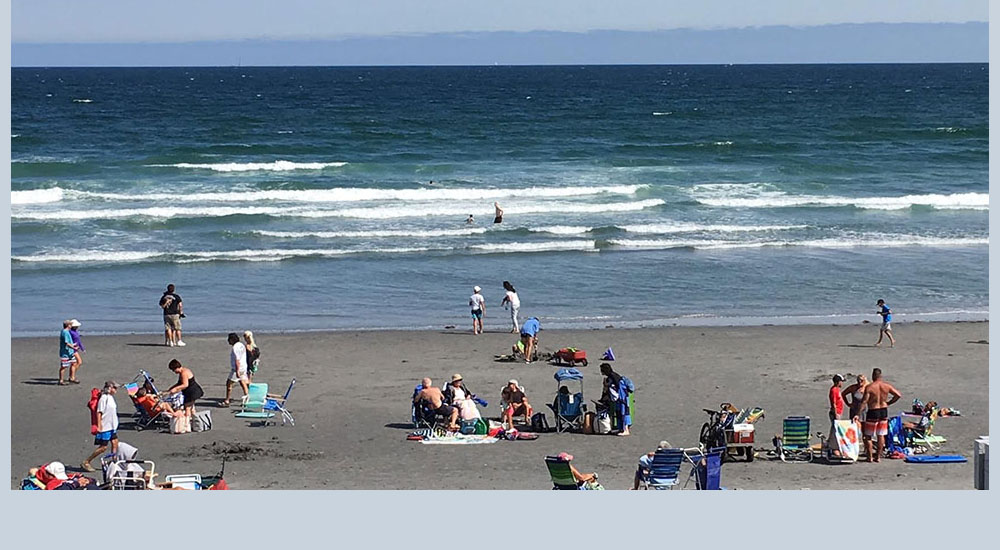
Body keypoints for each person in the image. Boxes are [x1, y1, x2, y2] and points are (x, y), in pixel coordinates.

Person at [853, 368, 902, 463]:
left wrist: (857, 414)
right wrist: (888, 403)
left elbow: (864, 402)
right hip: (883, 410)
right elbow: (898, 395)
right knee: (881, 435)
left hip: (873, 411)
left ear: (873, 376)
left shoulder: (870, 387)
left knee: (868, 436)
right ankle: (878, 457)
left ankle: (870, 457)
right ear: (881, 376)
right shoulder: (886, 386)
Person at [81, 380, 120, 472]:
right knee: (103, 447)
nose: (116, 390)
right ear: (110, 388)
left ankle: (114, 462)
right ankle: (87, 461)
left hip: (112, 426)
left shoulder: (110, 397)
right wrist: (99, 426)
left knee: (115, 443)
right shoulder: (104, 398)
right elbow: (99, 412)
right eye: (115, 388)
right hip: (105, 426)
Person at [599, 362, 632, 436]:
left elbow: (614, 389)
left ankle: (625, 430)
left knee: (623, 413)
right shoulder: (613, 376)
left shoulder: (612, 377)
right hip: (621, 398)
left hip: (621, 398)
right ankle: (621, 429)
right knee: (620, 413)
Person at [222, 333, 249, 407]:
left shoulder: (235, 347)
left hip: (237, 369)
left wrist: (237, 371)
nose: (228, 341)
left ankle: (227, 400)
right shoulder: (241, 345)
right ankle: (247, 398)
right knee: (242, 383)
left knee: (229, 383)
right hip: (243, 367)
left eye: (229, 339)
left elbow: (237, 360)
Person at [826, 374, 846, 457]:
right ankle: (834, 447)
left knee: (834, 430)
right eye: (841, 381)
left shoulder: (837, 389)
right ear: (838, 382)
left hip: (838, 412)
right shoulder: (834, 390)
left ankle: (829, 443)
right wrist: (836, 413)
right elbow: (833, 403)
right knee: (835, 431)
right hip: (836, 413)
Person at [58, 319, 80, 385]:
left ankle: (72, 378)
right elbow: (67, 343)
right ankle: (61, 380)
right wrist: (74, 347)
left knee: (74, 363)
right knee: (64, 366)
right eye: (70, 324)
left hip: (70, 352)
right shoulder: (65, 332)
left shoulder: (66, 332)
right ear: (68, 325)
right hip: (65, 353)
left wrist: (73, 345)